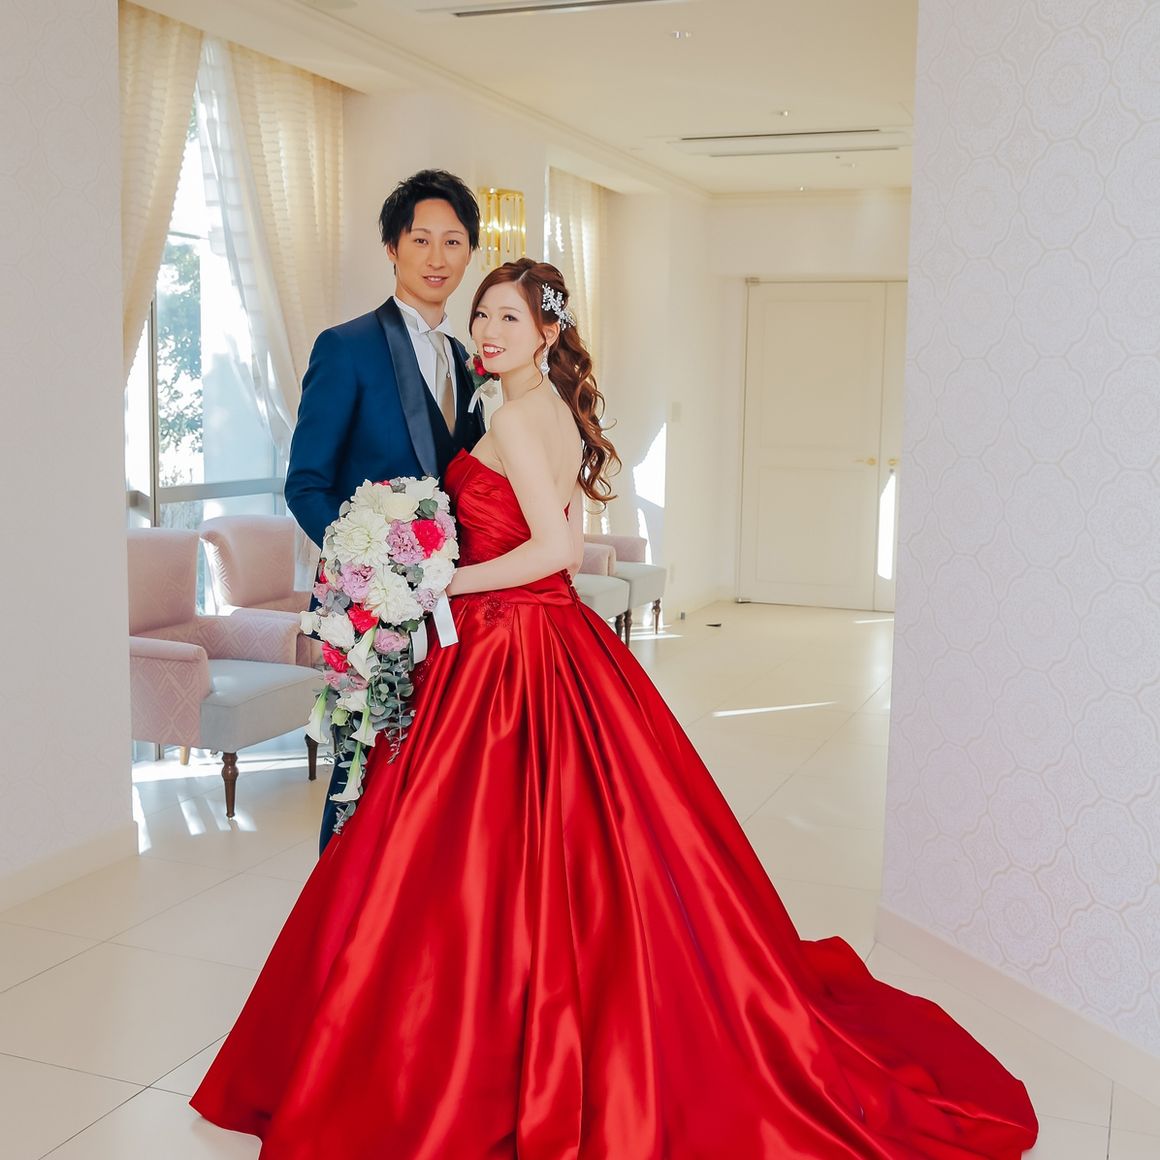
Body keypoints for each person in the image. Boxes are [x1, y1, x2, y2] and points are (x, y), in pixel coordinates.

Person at [192, 260, 1038, 1158]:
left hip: (509, 645)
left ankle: (462, 1040)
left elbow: (555, 551)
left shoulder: (513, 417)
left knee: (462, 843)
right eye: (483, 316)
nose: (489, 333)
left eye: (510, 319)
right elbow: (567, 531)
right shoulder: (545, 409)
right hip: (540, 637)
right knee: (550, 840)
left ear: (548, 333)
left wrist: (438, 584)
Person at [283, 169, 486, 853]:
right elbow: (306, 484)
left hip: (450, 608)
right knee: (360, 774)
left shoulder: (465, 360)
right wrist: (369, 575)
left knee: (432, 780)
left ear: (469, 252)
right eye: (420, 239)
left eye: (453, 241)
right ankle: (339, 914)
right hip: (371, 612)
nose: (437, 257)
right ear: (392, 248)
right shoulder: (346, 348)